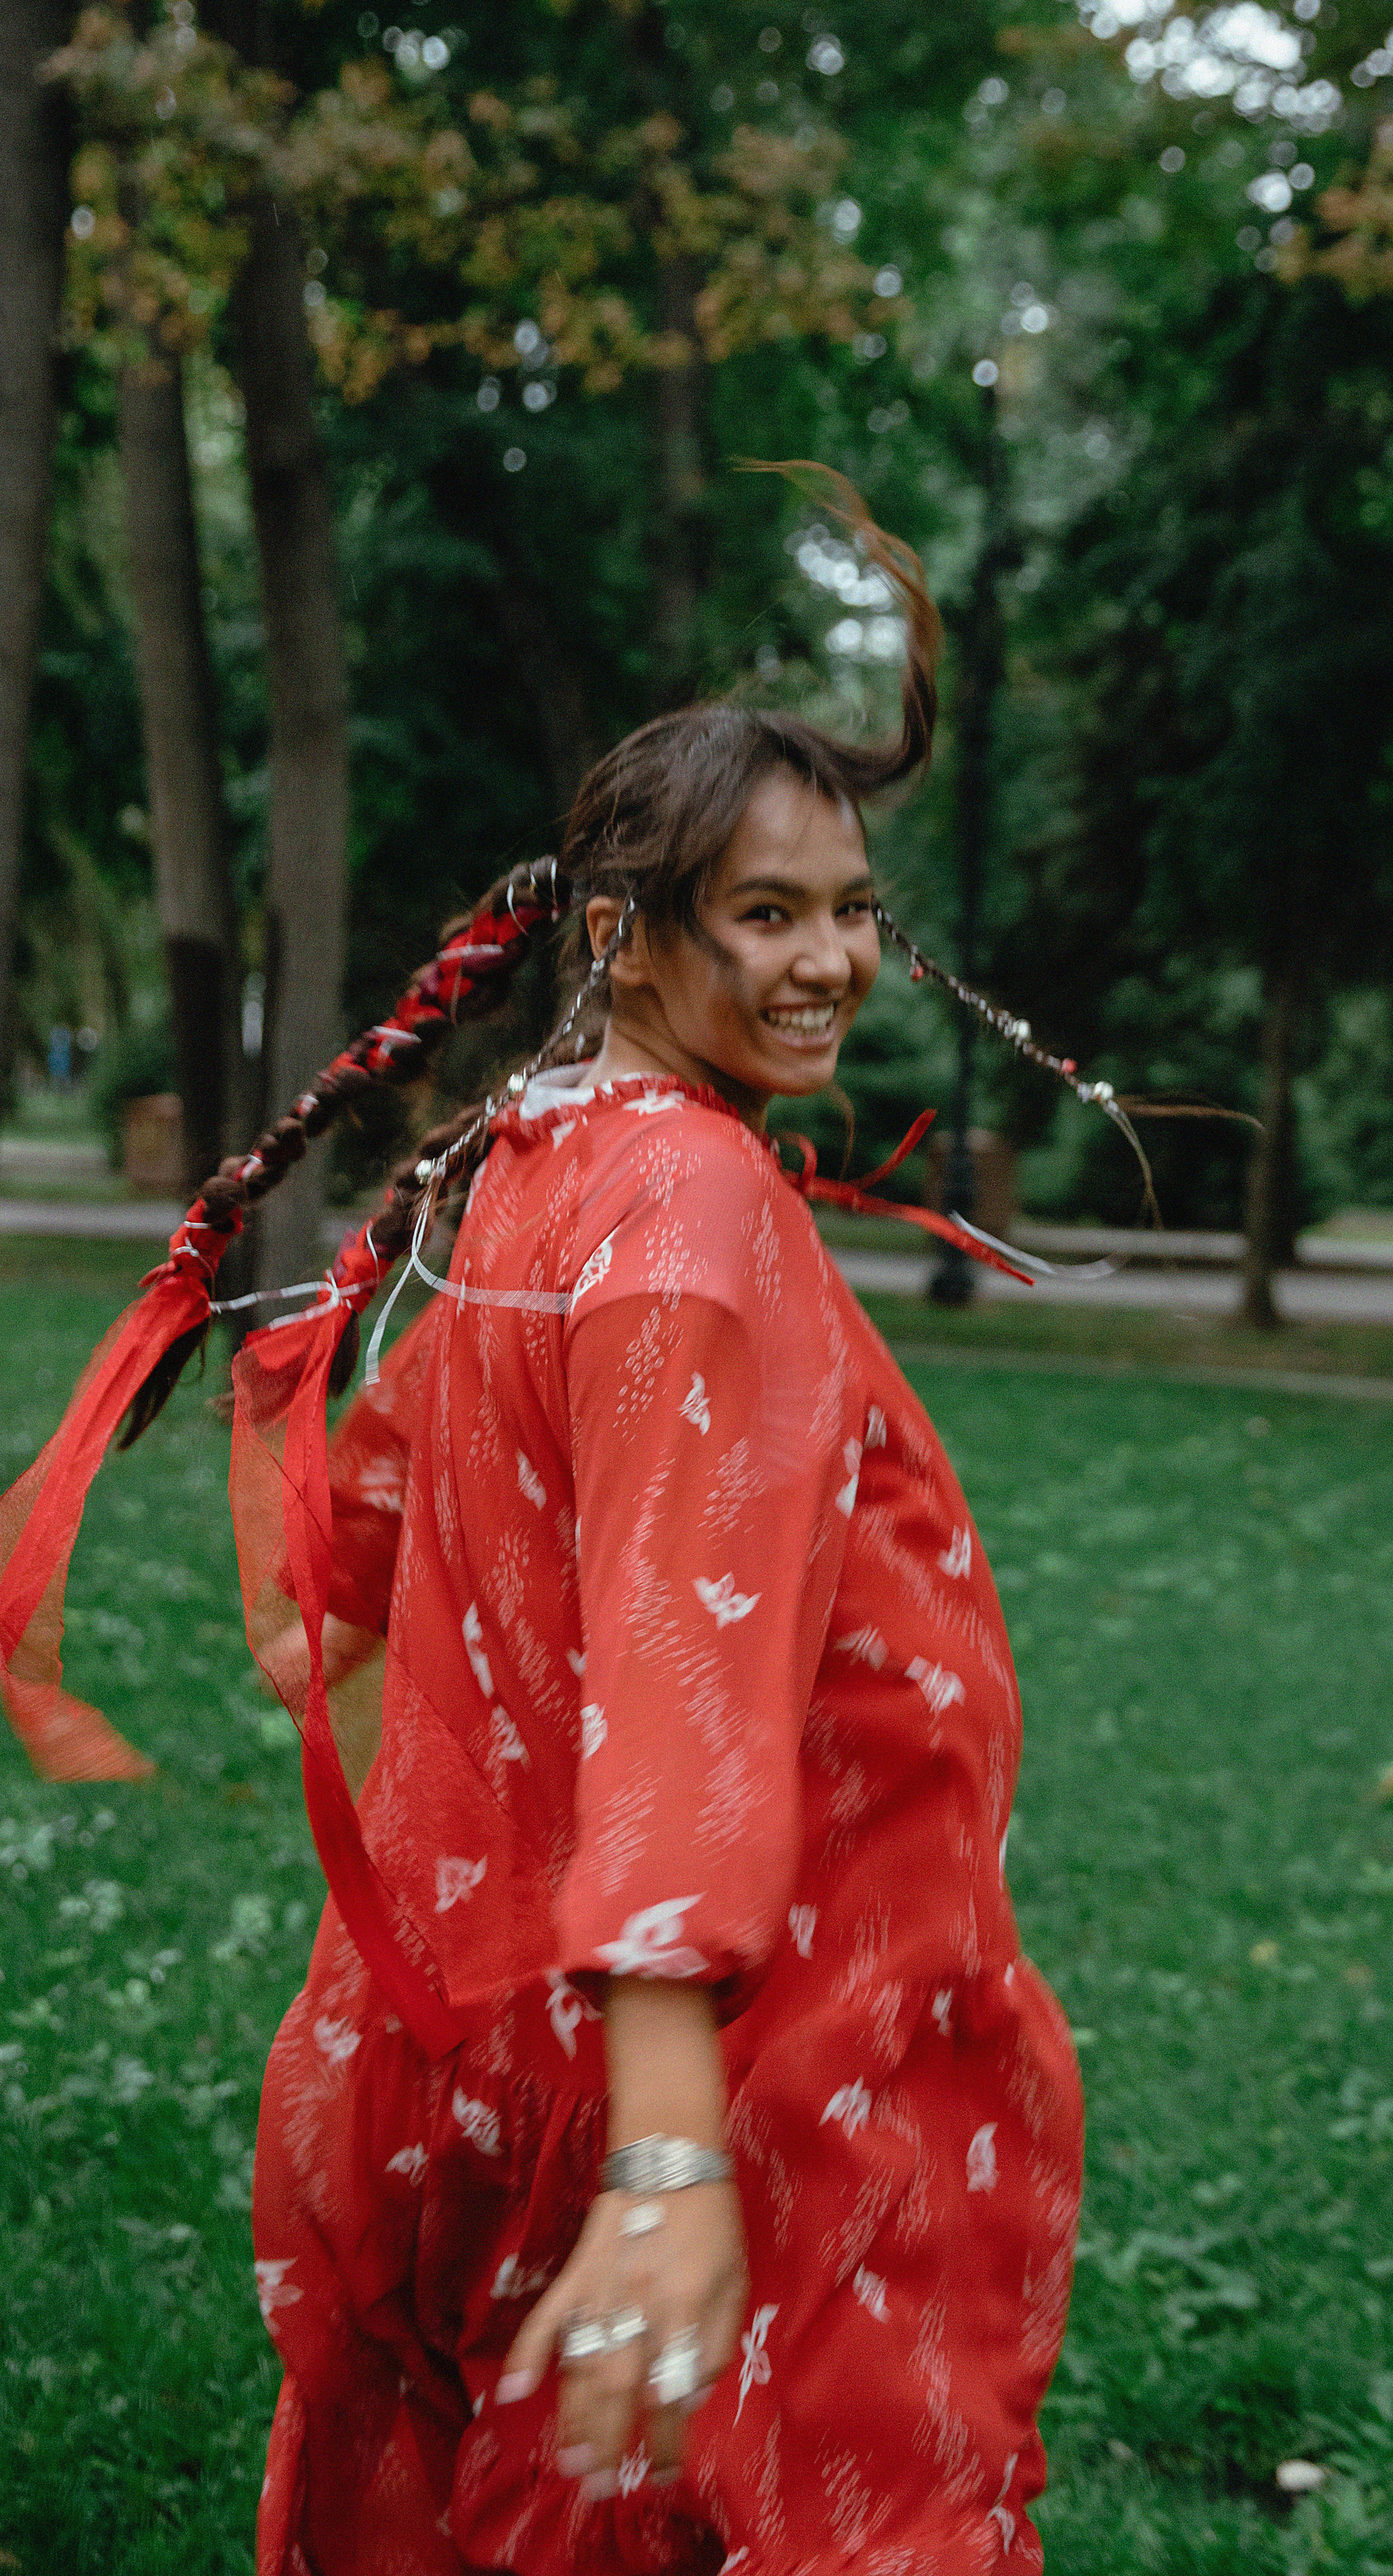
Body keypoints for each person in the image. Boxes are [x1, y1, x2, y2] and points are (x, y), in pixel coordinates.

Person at [0, 476, 1098, 2573]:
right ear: (624, 935)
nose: (835, 959)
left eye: (853, 906)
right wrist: (677, 2167)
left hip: (504, 2032)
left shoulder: (549, 1162)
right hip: (753, 2063)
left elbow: (367, 1565)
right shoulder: (684, 1212)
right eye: (767, 913)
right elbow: (681, 1705)